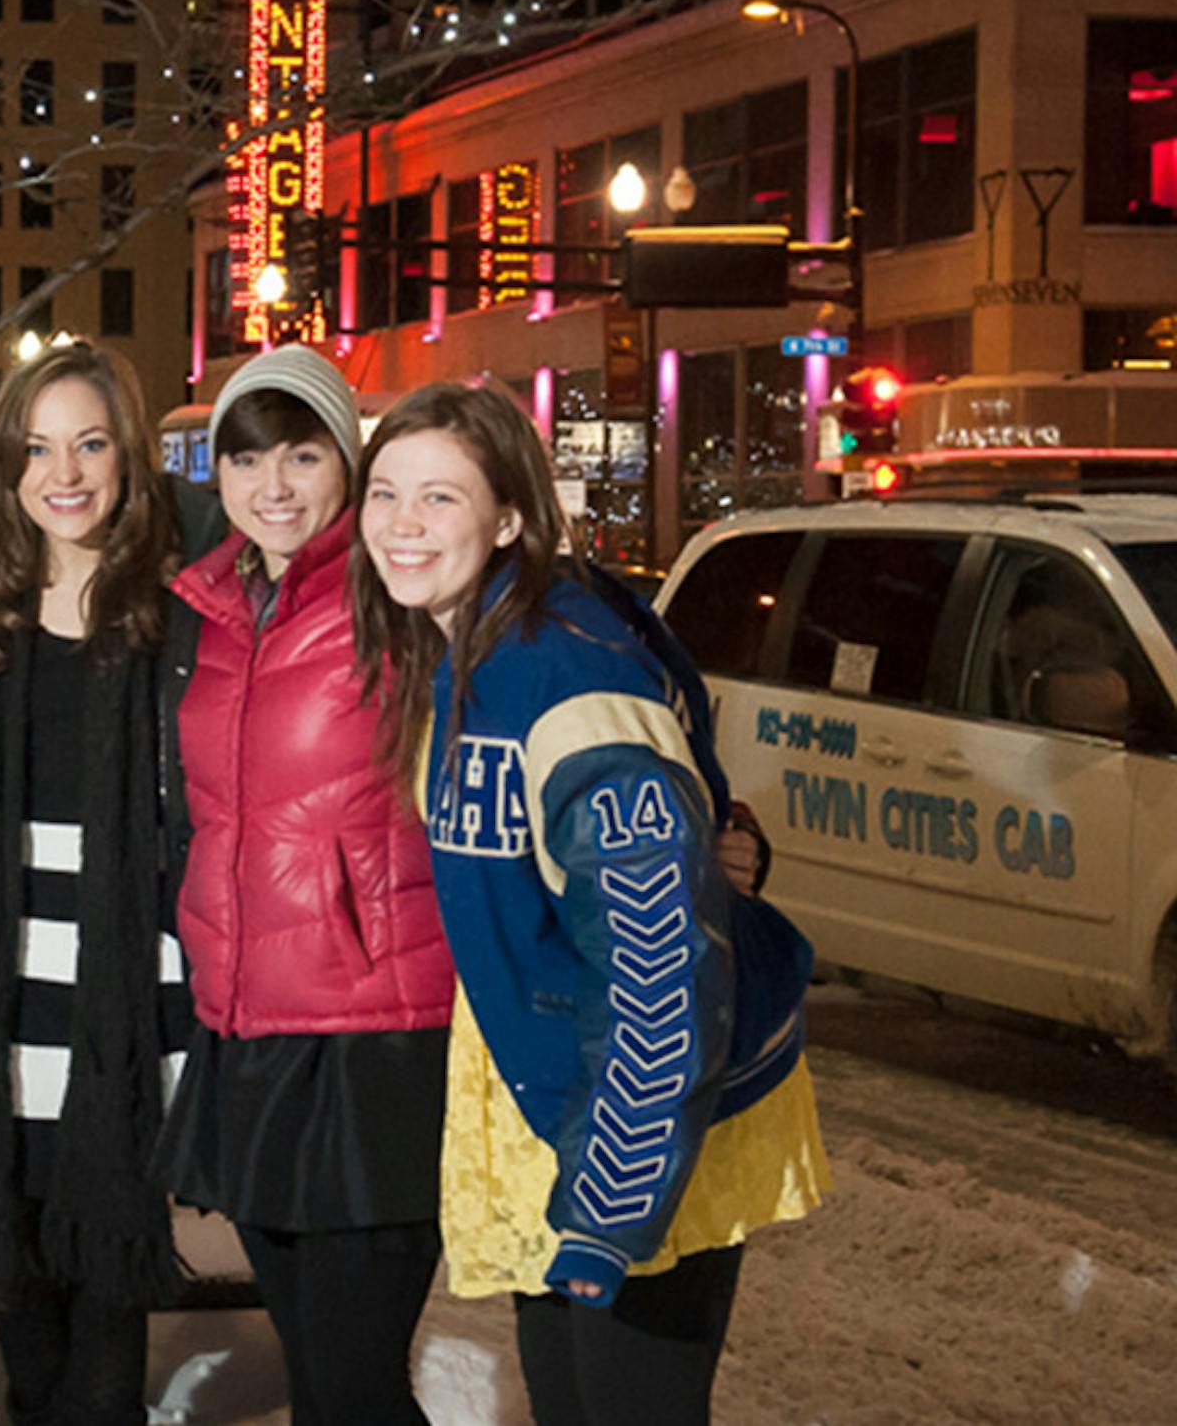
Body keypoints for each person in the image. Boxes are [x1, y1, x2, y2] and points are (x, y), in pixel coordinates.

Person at [350, 381, 831, 1426]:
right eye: (384, 492)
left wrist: (613, 1197)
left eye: (439, 498)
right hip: (559, 1096)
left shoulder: (557, 671)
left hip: (645, 1114)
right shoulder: (471, 641)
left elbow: (660, 957)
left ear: (510, 515)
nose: (399, 524)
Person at [0, 342, 217, 1426]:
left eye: (90, 443)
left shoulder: (185, 592)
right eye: (37, 447)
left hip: (124, 967)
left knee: (104, 1267)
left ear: (131, 455)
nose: (64, 472)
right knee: (15, 1268)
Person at [150, 346, 453, 1426]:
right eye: (244, 457)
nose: (272, 483)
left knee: (355, 1382)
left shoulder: (397, 588)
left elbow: (554, 679)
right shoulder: (217, 605)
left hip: (375, 1035)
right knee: (320, 1380)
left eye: (301, 453)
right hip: (249, 1025)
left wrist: (706, 804)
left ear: (348, 459)